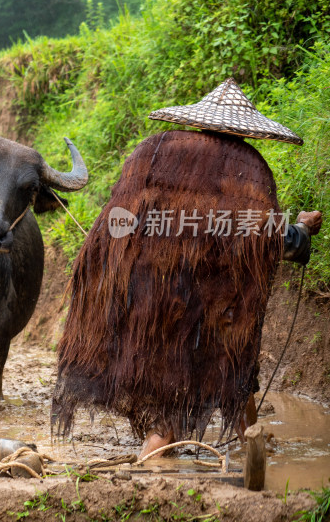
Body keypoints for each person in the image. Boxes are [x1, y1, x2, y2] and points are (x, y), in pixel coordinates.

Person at [52, 78, 323, 457]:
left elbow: (115, 224)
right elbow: (266, 242)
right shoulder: (250, 169)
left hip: (145, 294)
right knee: (189, 377)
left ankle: (249, 434)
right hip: (206, 305)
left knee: (229, 362)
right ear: (246, 130)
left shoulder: (154, 151)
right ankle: (155, 457)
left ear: (199, 120)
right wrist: (303, 230)